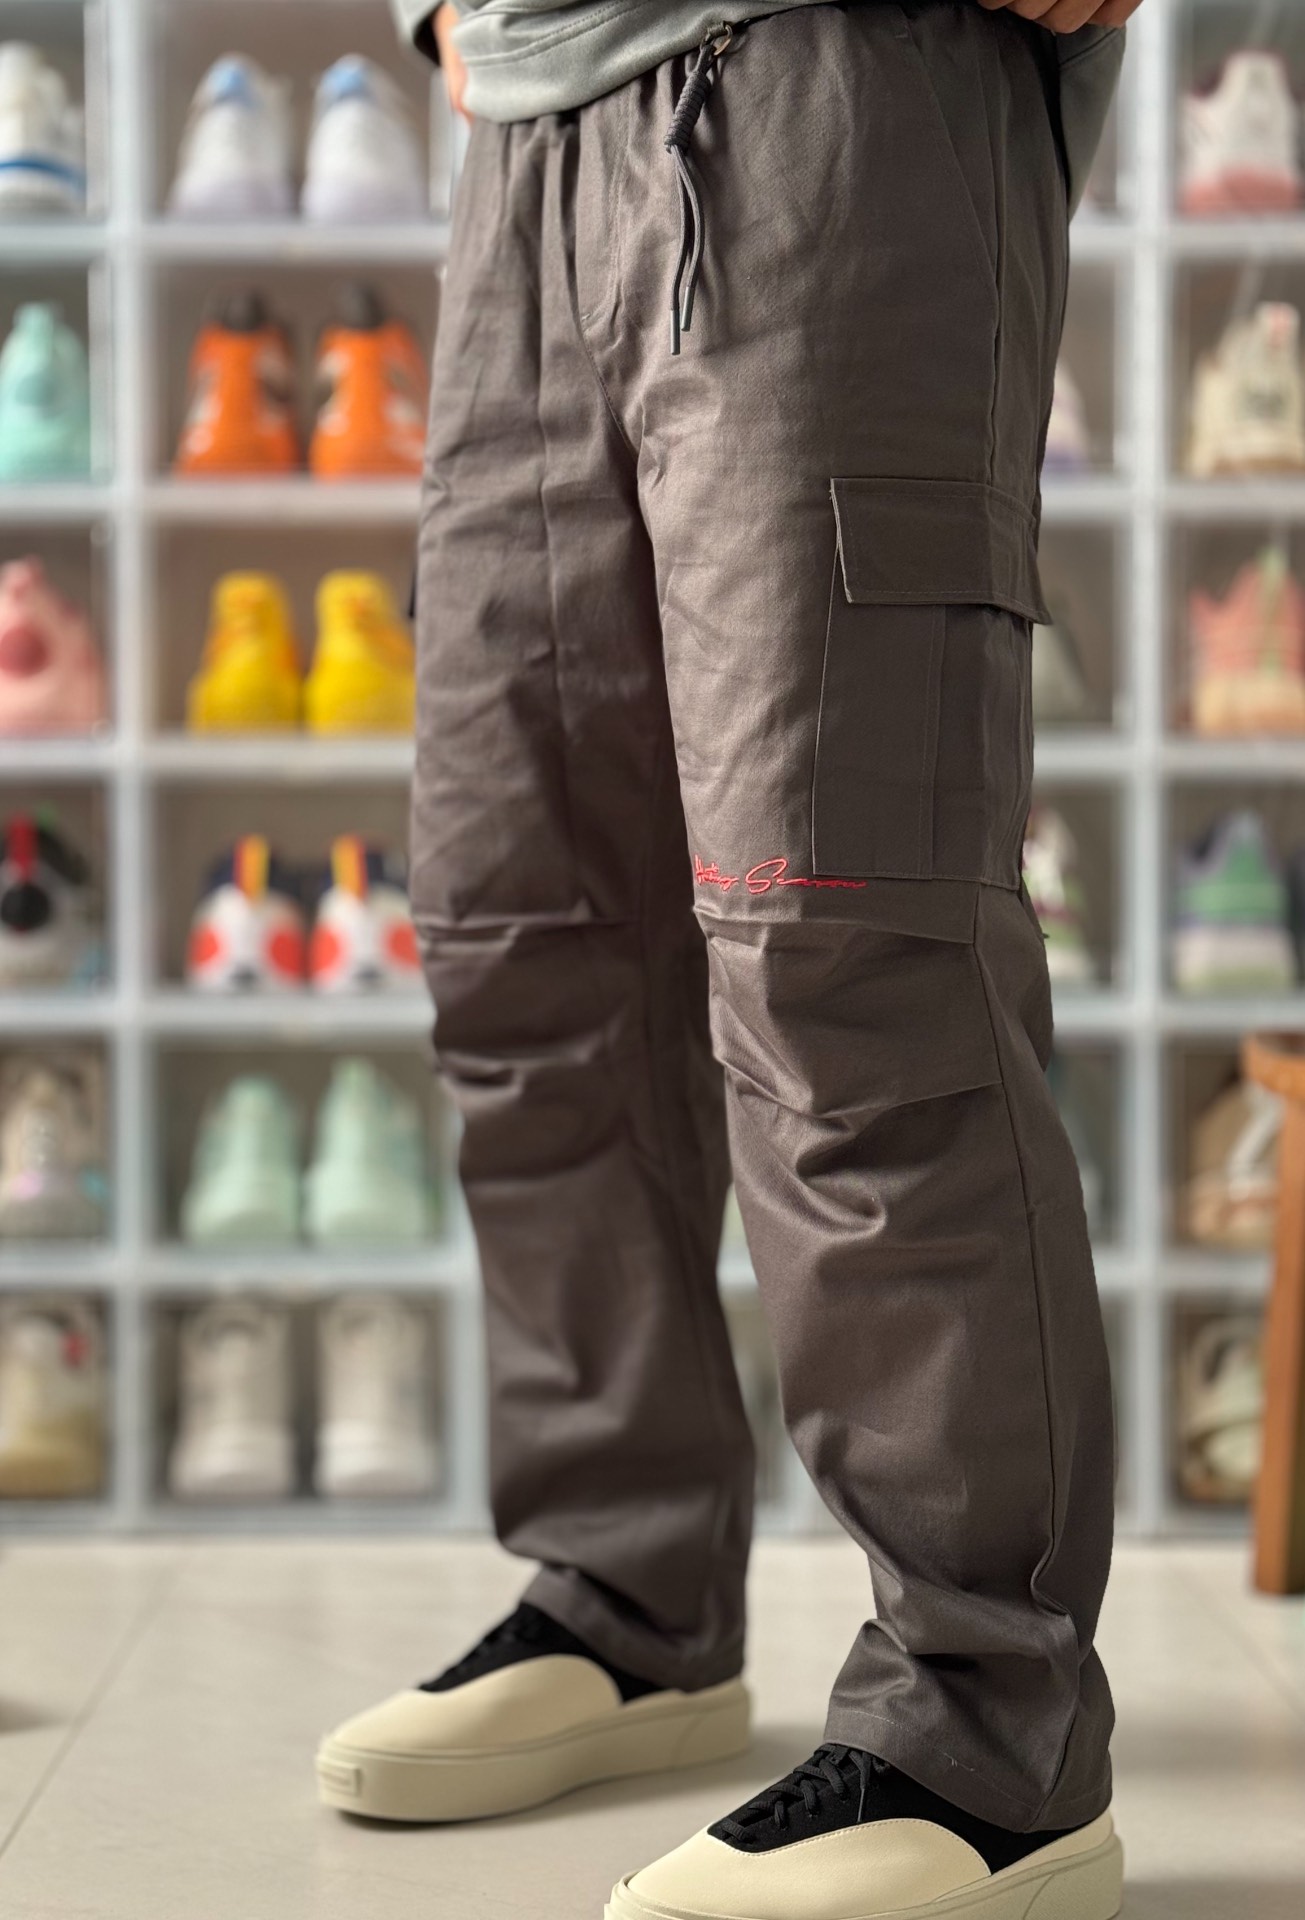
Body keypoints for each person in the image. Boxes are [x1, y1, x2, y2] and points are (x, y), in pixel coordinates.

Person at [316, 4, 1137, 1916]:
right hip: (527, 138)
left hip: (826, 80)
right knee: (528, 931)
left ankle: (985, 1726)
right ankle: (632, 1599)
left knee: (837, 932)